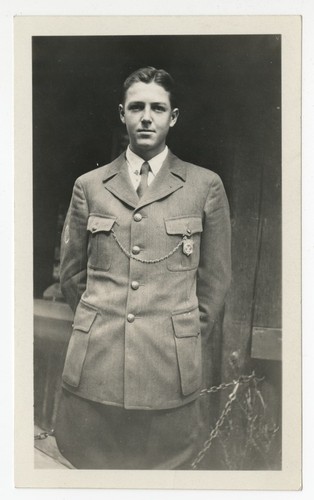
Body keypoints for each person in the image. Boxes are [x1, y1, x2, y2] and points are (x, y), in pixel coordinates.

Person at [55, 66, 231, 470]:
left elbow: (215, 284)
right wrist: (102, 326)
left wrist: (176, 340)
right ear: (122, 114)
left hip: (168, 379)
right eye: (137, 107)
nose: (146, 117)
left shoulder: (205, 187)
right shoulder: (90, 186)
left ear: (173, 117)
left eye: (157, 107)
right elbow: (71, 277)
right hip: (94, 374)